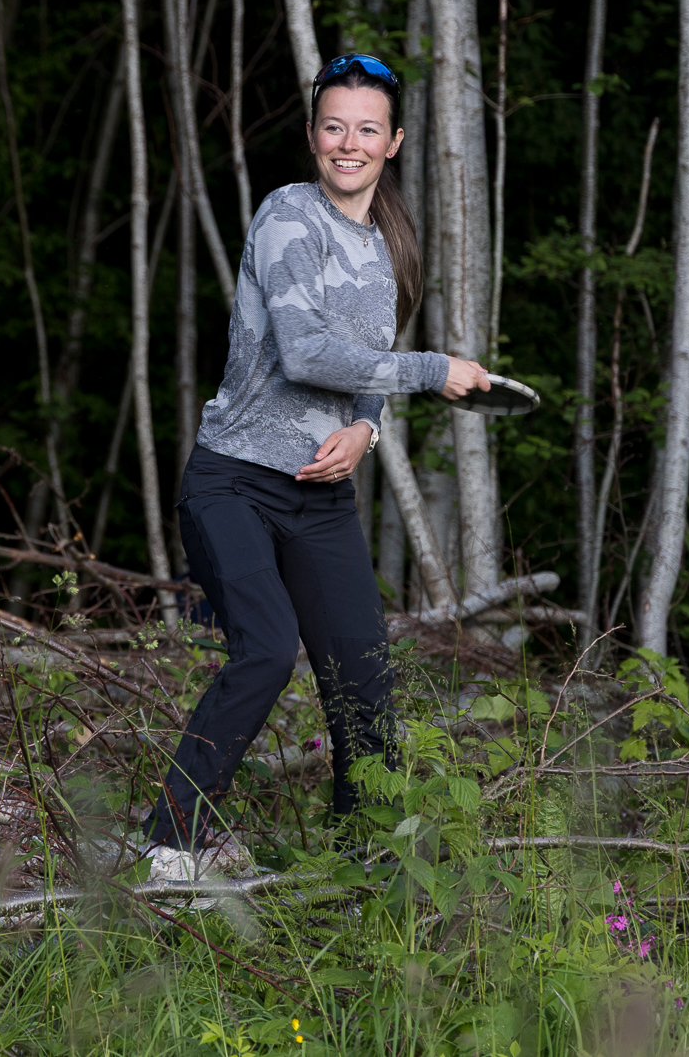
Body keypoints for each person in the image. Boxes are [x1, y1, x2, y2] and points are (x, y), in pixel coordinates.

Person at [142, 53, 490, 878]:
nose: (349, 142)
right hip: (234, 479)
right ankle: (167, 843)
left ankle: (364, 863)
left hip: (319, 496)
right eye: (334, 126)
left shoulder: (384, 248)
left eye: (367, 129)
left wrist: (367, 430)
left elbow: (363, 365)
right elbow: (304, 352)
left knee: (364, 681)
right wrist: (433, 369)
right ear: (312, 135)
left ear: (393, 141)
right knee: (265, 650)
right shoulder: (288, 217)